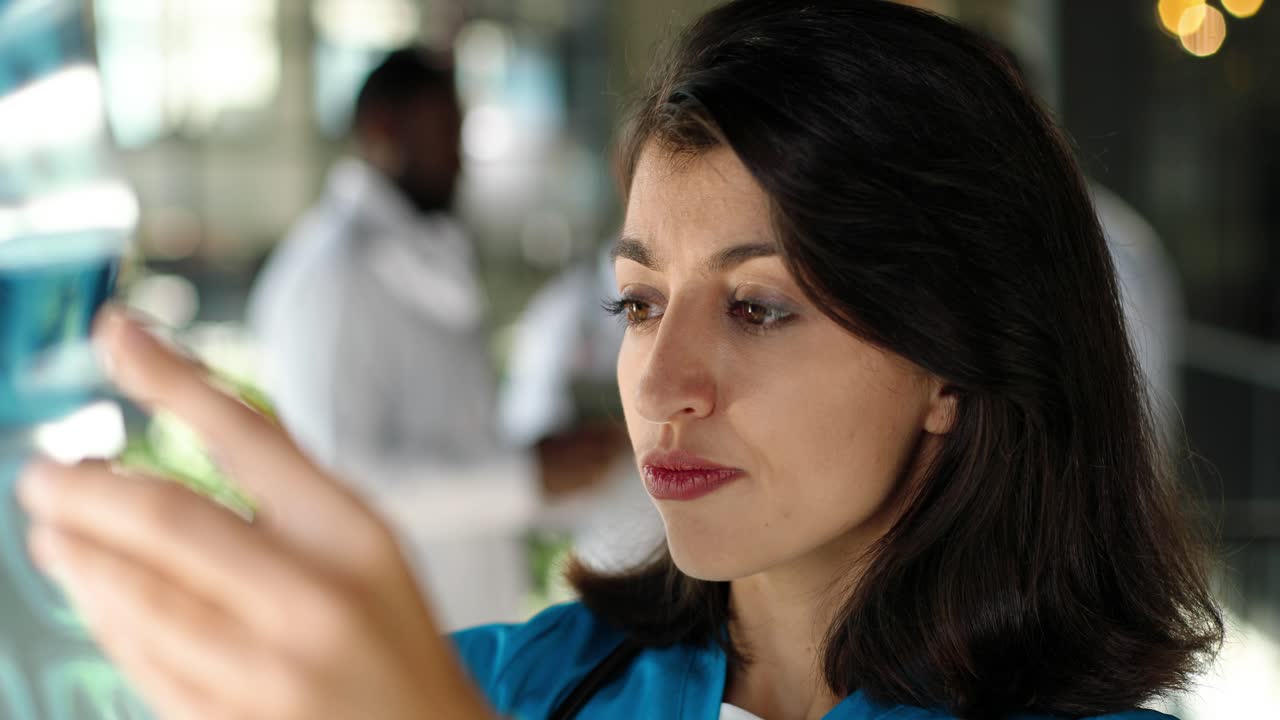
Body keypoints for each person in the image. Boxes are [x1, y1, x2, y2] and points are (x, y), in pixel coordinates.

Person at [17, 2, 1224, 718]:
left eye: (755, 308)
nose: (658, 383)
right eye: (639, 303)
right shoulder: (502, 688)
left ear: (950, 369)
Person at [246, 47, 618, 629]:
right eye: (445, 132)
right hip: (390, 631)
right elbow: (343, 480)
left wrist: (551, 465)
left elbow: (455, 439)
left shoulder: (421, 254)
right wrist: (524, 476)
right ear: (384, 130)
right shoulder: (332, 274)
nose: (460, 161)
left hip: (465, 620)